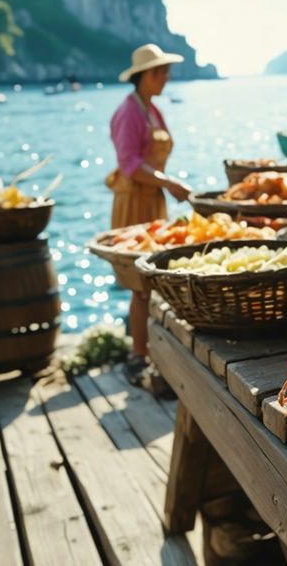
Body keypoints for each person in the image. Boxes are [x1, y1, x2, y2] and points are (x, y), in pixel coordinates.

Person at [106, 43, 192, 389]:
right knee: (139, 284)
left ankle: (151, 351)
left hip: (152, 200)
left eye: (166, 71)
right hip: (133, 204)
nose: (166, 78)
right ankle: (138, 355)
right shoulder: (129, 112)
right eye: (161, 72)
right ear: (145, 76)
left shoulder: (151, 110)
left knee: (152, 280)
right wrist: (169, 182)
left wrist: (164, 185)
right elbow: (129, 164)